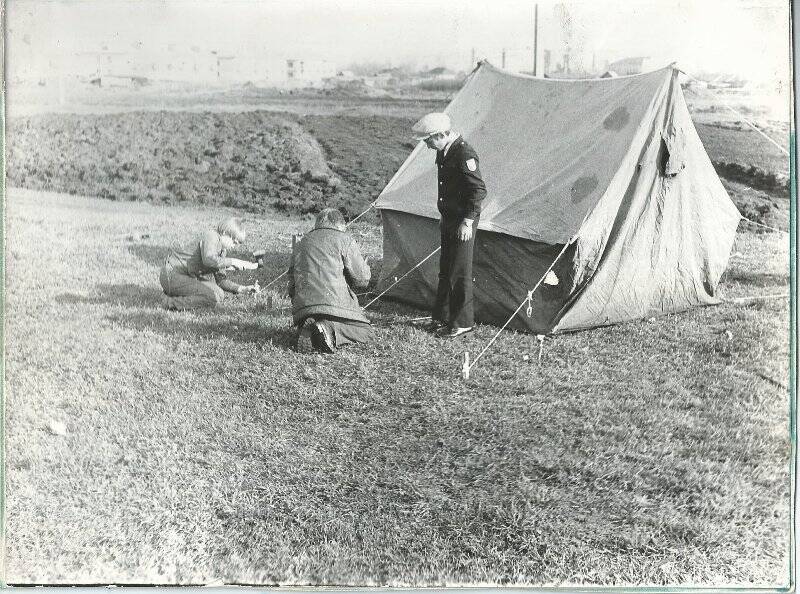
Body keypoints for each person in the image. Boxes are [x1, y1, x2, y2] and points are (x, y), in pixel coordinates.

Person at [412, 112, 487, 338]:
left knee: (459, 272)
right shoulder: (445, 150)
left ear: (441, 135)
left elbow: (478, 190)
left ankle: (463, 322)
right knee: (446, 270)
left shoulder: (464, 153)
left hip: (463, 222)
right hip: (449, 220)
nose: (426, 145)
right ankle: (442, 317)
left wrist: (467, 221)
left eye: (428, 140)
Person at [288, 208, 374, 354]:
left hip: (303, 308)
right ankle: (329, 328)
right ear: (340, 224)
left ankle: (310, 328)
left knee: (313, 319)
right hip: (334, 304)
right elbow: (362, 280)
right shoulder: (345, 239)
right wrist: (365, 267)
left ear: (318, 223)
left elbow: (291, 284)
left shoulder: (301, 243)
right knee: (366, 332)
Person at [159, 217, 260, 310]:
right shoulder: (212, 235)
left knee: (220, 294)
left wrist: (243, 289)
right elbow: (208, 259)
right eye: (234, 242)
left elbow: (221, 281)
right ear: (225, 233)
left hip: (186, 276)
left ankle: (171, 293)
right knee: (212, 298)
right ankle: (168, 302)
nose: (234, 246)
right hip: (172, 274)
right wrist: (233, 261)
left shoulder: (222, 251)